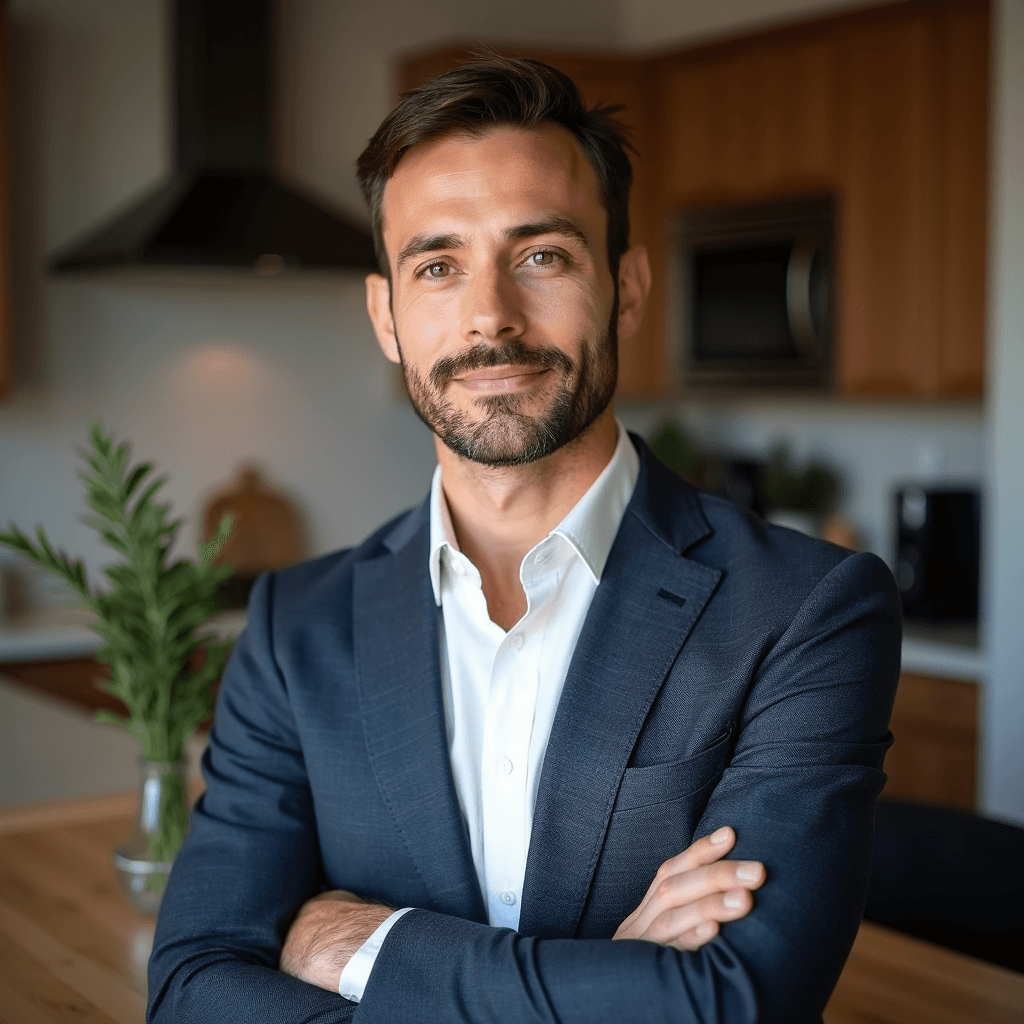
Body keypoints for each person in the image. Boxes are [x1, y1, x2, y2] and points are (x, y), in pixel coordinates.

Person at [147, 56, 901, 1024]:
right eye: (437, 265)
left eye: (541, 255)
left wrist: (364, 944)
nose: (490, 316)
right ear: (386, 315)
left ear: (624, 287)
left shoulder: (804, 608)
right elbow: (192, 987)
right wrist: (608, 982)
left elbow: (735, 1002)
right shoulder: (299, 628)